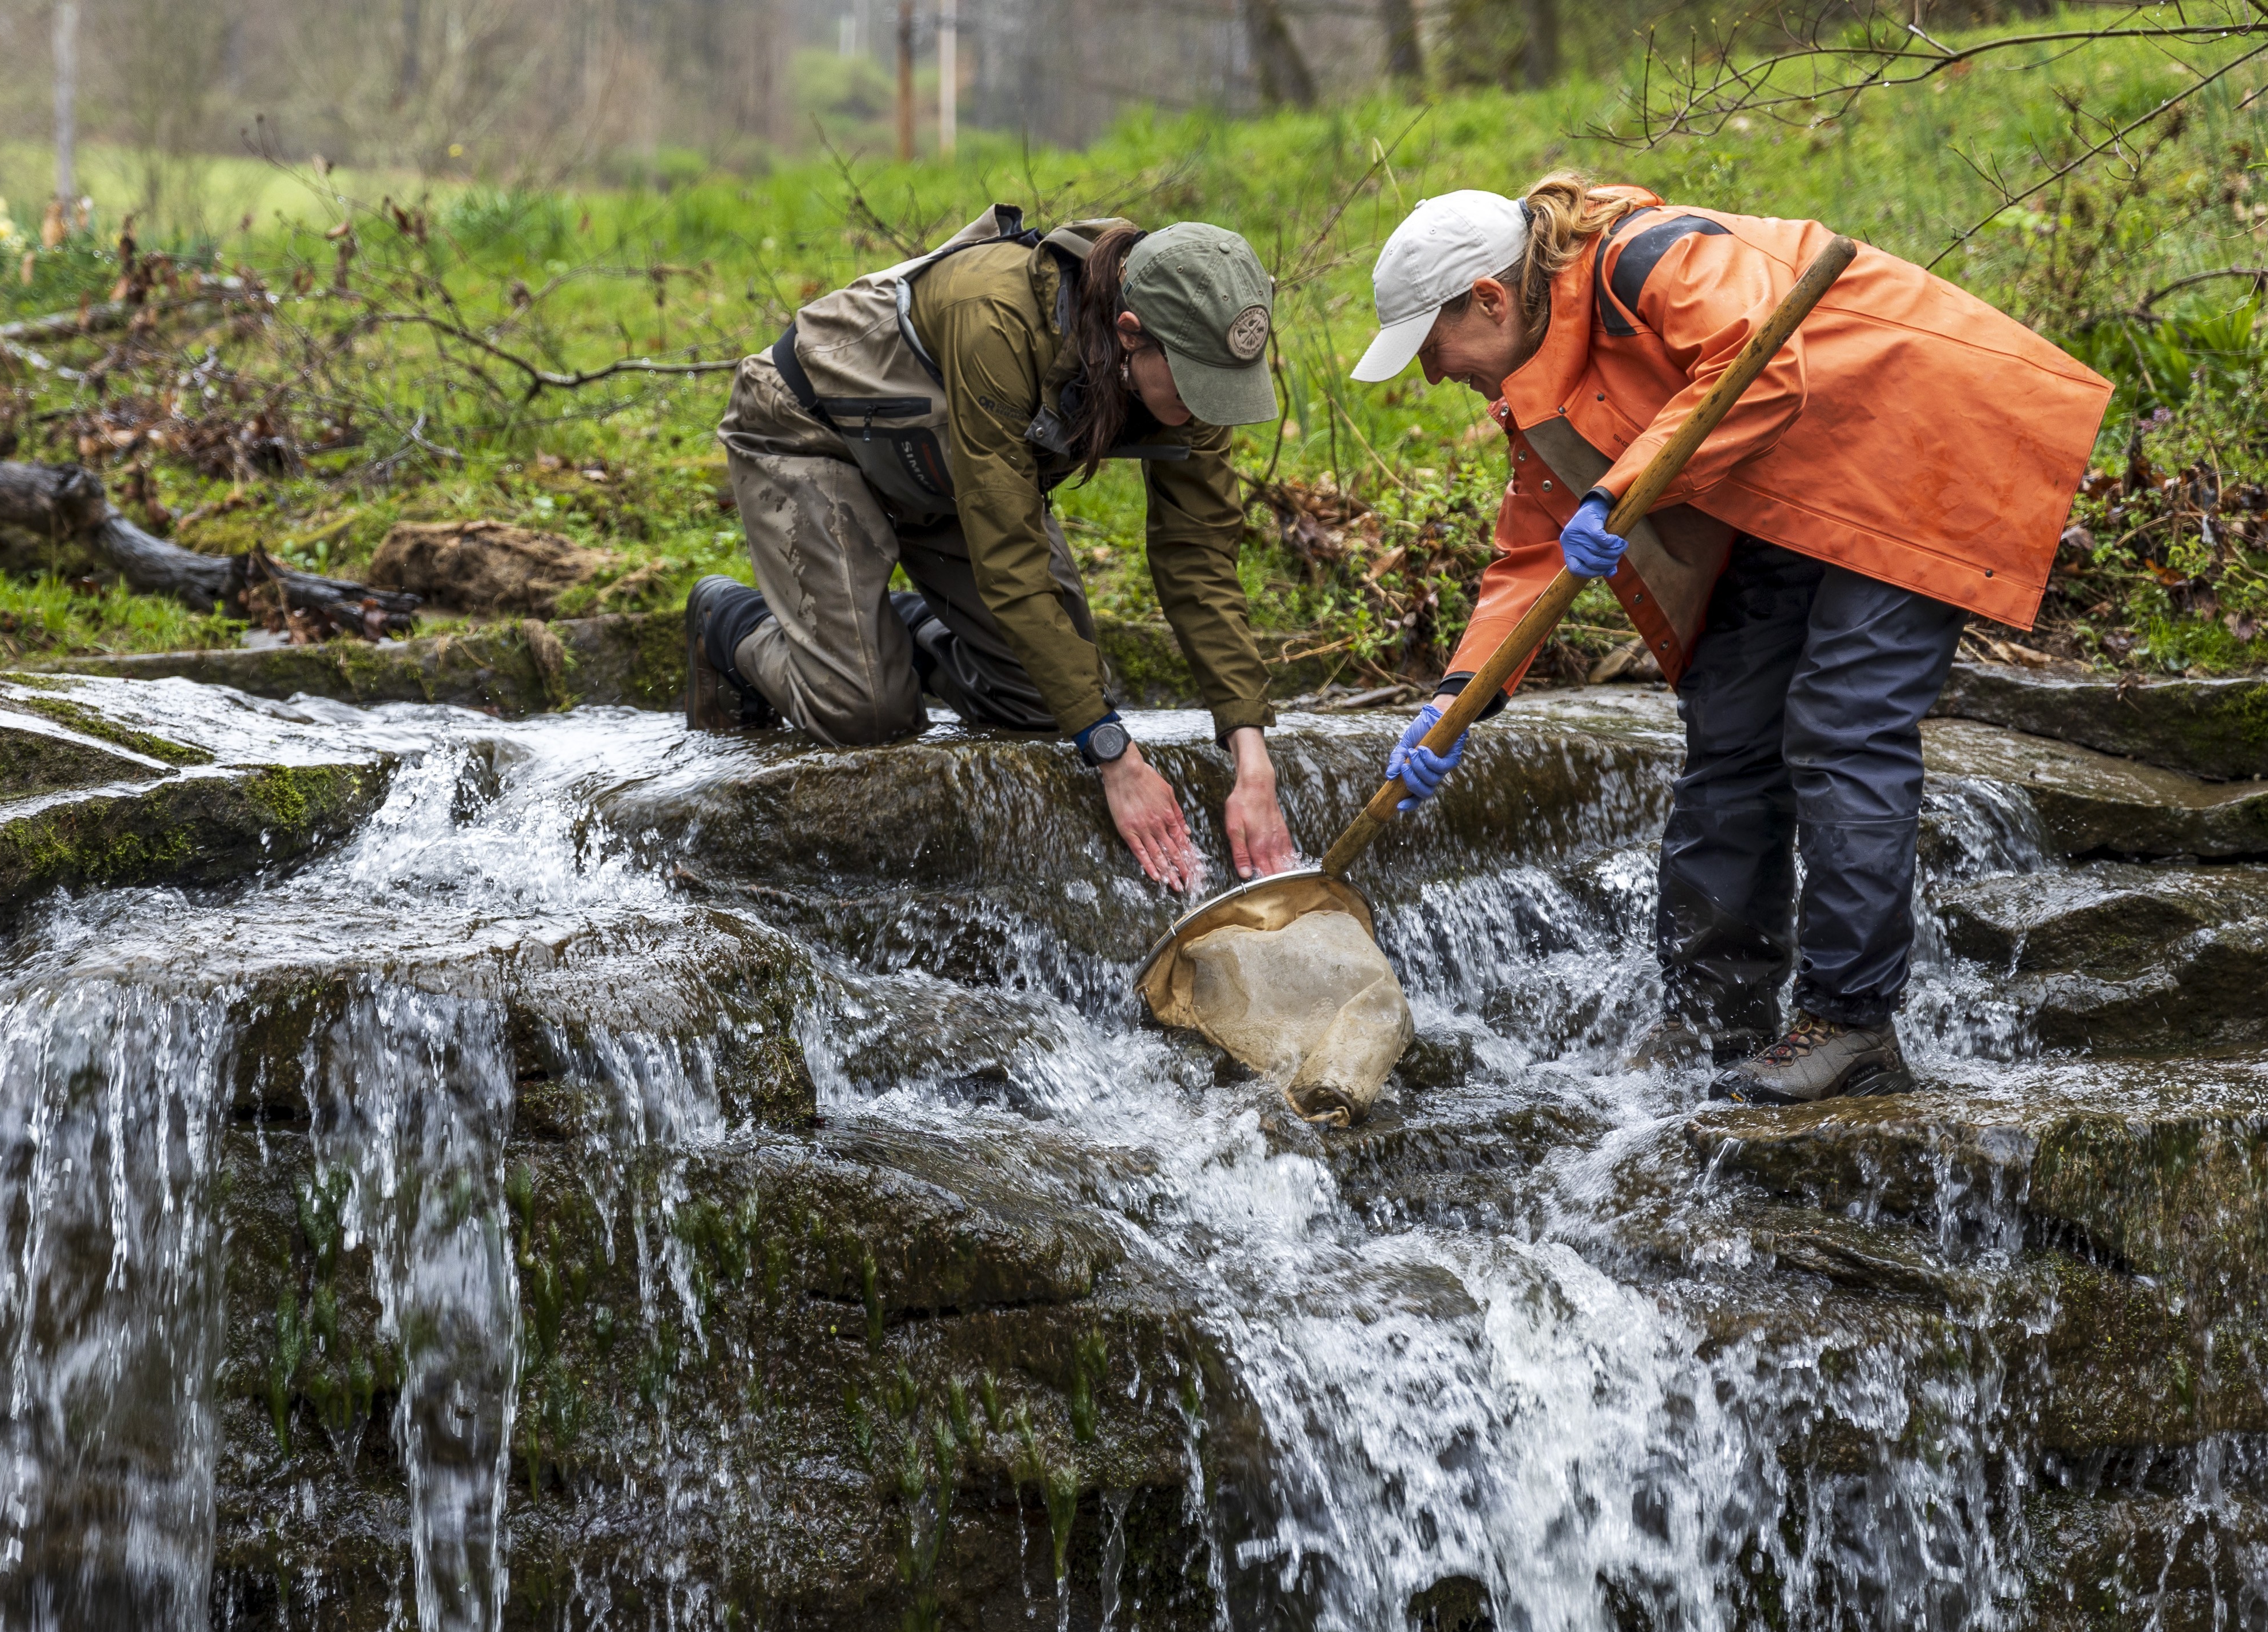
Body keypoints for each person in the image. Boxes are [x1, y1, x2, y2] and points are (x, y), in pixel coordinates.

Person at [1353, 174, 2111, 1104]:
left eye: (1432, 348)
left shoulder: (1651, 256)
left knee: (1840, 722)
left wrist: (1615, 487)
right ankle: (1715, 1016)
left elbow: (1760, 366)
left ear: (1487, 298)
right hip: (1799, 485)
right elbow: (1530, 548)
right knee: (1731, 721)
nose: (1434, 374)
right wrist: (1456, 696)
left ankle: (1850, 1024)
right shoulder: (1531, 376)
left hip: (1923, 442)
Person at [685, 206, 1296, 892]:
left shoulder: (1196, 359)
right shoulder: (999, 318)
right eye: (1196, 386)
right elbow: (1010, 561)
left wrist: (1251, 752)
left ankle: (900, 633)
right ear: (1132, 336)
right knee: (866, 713)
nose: (1209, 406)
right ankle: (727, 623)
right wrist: (1115, 757)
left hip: (949, 471)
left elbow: (1199, 559)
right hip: (814, 429)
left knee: (1048, 701)